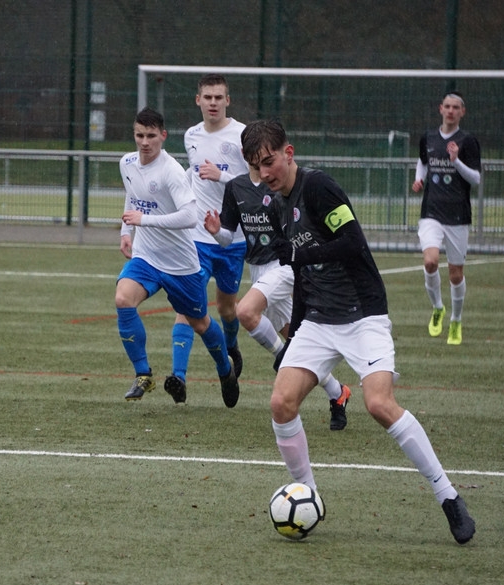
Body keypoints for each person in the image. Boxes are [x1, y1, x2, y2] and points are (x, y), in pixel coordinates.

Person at [241, 119, 475, 544]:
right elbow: (299, 268)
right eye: (256, 168)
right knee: (281, 402)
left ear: (288, 153)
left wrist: (303, 251)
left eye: (269, 162)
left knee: (379, 404)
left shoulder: (319, 187)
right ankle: (308, 493)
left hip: (363, 314)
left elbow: (351, 242)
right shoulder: (276, 205)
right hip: (317, 318)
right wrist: (294, 331)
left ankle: (448, 496)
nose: (265, 174)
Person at [204, 165, 352, 431]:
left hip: (284, 265)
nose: (260, 161)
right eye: (254, 154)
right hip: (258, 269)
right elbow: (227, 238)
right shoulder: (235, 187)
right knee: (301, 347)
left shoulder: (278, 185)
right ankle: (338, 392)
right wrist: (215, 231)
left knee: (246, 312)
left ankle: (282, 354)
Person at [116, 108, 239, 408]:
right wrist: (126, 231)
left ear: (163, 136)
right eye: (139, 135)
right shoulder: (127, 163)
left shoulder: (171, 171)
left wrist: (143, 221)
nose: (145, 142)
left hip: (181, 264)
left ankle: (225, 370)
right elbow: (133, 197)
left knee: (200, 323)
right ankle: (143, 373)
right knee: (123, 300)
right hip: (146, 257)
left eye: (151, 136)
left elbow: (188, 217)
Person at [164, 74, 250, 405]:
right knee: (186, 306)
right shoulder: (191, 136)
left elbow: (253, 183)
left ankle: (230, 347)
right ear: (197, 100)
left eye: (219, 97)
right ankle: (179, 377)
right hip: (196, 238)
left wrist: (222, 175)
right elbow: (192, 176)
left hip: (231, 237)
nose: (213, 102)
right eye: (207, 97)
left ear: (227, 100)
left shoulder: (242, 135)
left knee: (227, 307)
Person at [412, 91, 482, 346]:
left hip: (458, 216)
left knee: (455, 274)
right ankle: (438, 308)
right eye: (448, 106)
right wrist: (419, 178)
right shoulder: (428, 138)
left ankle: (456, 320)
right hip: (431, 212)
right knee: (430, 262)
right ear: (440, 109)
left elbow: (476, 178)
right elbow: (422, 162)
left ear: (462, 112)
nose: (451, 111)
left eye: (456, 107)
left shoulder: (468, 141)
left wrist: (456, 161)